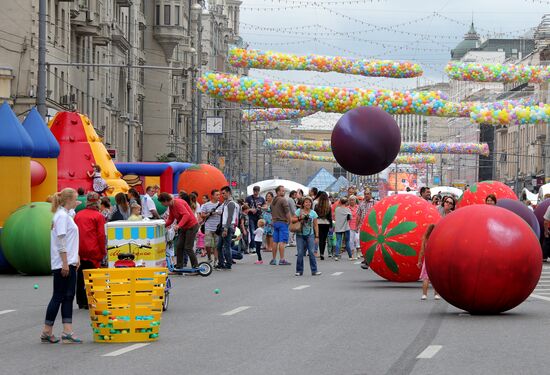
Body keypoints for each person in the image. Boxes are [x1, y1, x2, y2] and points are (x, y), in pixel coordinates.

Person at [41, 188, 82, 344]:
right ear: (68, 200)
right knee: (59, 296)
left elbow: (70, 238)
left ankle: (67, 330)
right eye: (76, 199)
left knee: (68, 296)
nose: (78, 201)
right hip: (62, 263)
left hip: (69, 261)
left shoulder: (65, 214)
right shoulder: (62, 217)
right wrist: (65, 262)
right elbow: (61, 240)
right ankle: (47, 330)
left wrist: (75, 256)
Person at [74, 192, 106, 310]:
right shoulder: (98, 216)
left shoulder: (78, 215)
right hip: (93, 250)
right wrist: (103, 251)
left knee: (80, 276)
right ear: (97, 202)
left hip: (79, 249)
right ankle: (91, 300)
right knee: (93, 277)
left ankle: (81, 301)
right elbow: (101, 236)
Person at [159, 192, 199, 269]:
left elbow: (186, 215)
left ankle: (196, 267)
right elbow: (171, 219)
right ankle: (179, 266)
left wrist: (178, 225)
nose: (162, 205)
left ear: (166, 201)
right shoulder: (171, 206)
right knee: (179, 246)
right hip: (184, 227)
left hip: (192, 226)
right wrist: (163, 226)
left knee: (188, 247)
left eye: (161, 203)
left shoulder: (177, 203)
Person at [292, 196, 322, 276]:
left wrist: (317, 236)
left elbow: (315, 225)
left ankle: (314, 270)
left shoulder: (313, 213)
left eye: (309, 202)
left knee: (312, 252)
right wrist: (299, 218)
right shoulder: (299, 211)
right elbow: (292, 220)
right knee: (300, 252)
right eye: (306, 202)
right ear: (303, 204)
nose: (308, 203)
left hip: (310, 234)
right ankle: (299, 271)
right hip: (300, 235)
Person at [217, 186, 239, 270]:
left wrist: (225, 229)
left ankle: (228, 263)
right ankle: (221, 263)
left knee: (226, 246)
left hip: (228, 227)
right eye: (222, 193)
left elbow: (230, 217)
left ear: (229, 193)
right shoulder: (225, 203)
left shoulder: (231, 203)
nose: (222, 195)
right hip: (223, 226)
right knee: (219, 246)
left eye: (224, 193)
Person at [417, 224, 440, 300]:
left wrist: (419, 261)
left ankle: (424, 295)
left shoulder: (425, 239)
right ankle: (436, 295)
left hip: (427, 260)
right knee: (436, 278)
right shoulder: (437, 238)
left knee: (426, 278)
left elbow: (422, 251)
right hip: (436, 260)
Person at [271, 185, 292, 266]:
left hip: (275, 222)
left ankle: (273, 259)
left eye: (284, 191)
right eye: (282, 191)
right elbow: (287, 212)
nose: (283, 192)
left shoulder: (273, 201)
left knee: (275, 241)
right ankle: (282, 259)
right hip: (283, 222)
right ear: (278, 192)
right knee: (282, 242)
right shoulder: (283, 200)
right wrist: (290, 221)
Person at [201, 189, 223, 263]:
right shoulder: (206, 205)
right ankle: (209, 257)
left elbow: (224, 215)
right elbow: (202, 215)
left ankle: (216, 261)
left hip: (217, 228)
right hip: (208, 227)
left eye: (219, 195)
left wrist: (221, 213)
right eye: (217, 195)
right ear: (212, 196)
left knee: (216, 245)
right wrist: (210, 213)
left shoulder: (221, 205)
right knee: (208, 245)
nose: (218, 196)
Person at [245, 186, 266, 252]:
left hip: (258, 216)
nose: (256, 192)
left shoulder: (261, 199)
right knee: (252, 231)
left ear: (259, 191)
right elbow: (245, 207)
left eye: (257, 191)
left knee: (258, 231)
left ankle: (257, 246)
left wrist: (261, 207)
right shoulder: (249, 198)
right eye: (255, 191)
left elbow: (265, 206)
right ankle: (252, 246)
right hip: (251, 216)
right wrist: (251, 209)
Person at [315, 192, 333, 260]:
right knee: (324, 239)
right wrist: (331, 226)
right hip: (326, 223)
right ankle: (322, 253)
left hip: (318, 223)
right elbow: (330, 217)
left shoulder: (317, 206)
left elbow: (315, 215)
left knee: (320, 238)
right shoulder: (328, 207)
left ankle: (321, 252)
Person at [263, 192, 274, 257]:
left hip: (271, 219)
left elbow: (270, 210)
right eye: (267, 196)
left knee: (271, 234)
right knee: (266, 233)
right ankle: (267, 247)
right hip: (265, 220)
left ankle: (271, 247)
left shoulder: (273, 204)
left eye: (269, 196)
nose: (268, 197)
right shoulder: (265, 203)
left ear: (272, 197)